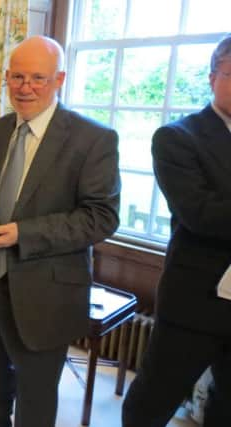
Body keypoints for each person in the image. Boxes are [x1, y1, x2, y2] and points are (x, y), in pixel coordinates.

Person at [0, 36, 121, 427]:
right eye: (17, 76)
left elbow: (101, 217)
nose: (25, 87)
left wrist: (22, 234)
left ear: (59, 78)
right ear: (7, 79)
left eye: (38, 78)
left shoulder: (93, 139)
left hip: (46, 294)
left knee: (35, 404)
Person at [122, 35, 231, 427]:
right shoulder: (177, 137)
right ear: (212, 78)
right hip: (195, 303)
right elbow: (200, 213)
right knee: (151, 403)